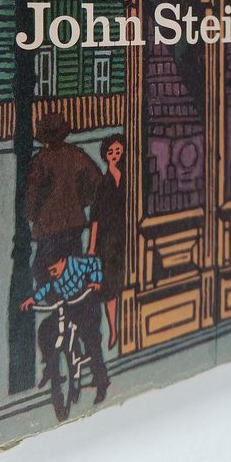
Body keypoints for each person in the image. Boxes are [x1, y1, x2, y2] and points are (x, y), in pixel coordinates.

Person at [20, 247, 110, 416]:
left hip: (86, 303)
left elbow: (94, 262)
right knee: (48, 329)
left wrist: (95, 281)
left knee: (91, 341)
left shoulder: (77, 264)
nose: (53, 274)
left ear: (63, 261)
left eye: (55, 270)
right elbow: (46, 288)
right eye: (50, 271)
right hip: (70, 307)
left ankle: (101, 381)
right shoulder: (54, 277)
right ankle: (55, 366)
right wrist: (33, 299)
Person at [26, 112, 102, 286]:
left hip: (49, 225)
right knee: (73, 265)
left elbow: (31, 197)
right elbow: (97, 182)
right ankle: (72, 298)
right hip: (74, 222)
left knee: (42, 269)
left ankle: (54, 299)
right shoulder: (77, 155)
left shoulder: (40, 160)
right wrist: (80, 202)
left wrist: (34, 215)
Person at [88, 133, 125, 350]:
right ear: (105, 155)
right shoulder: (103, 184)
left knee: (124, 282)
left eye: (118, 151)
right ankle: (113, 329)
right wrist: (92, 248)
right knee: (109, 287)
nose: (114, 155)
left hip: (125, 237)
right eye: (111, 152)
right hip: (107, 242)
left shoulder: (129, 178)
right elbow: (95, 219)